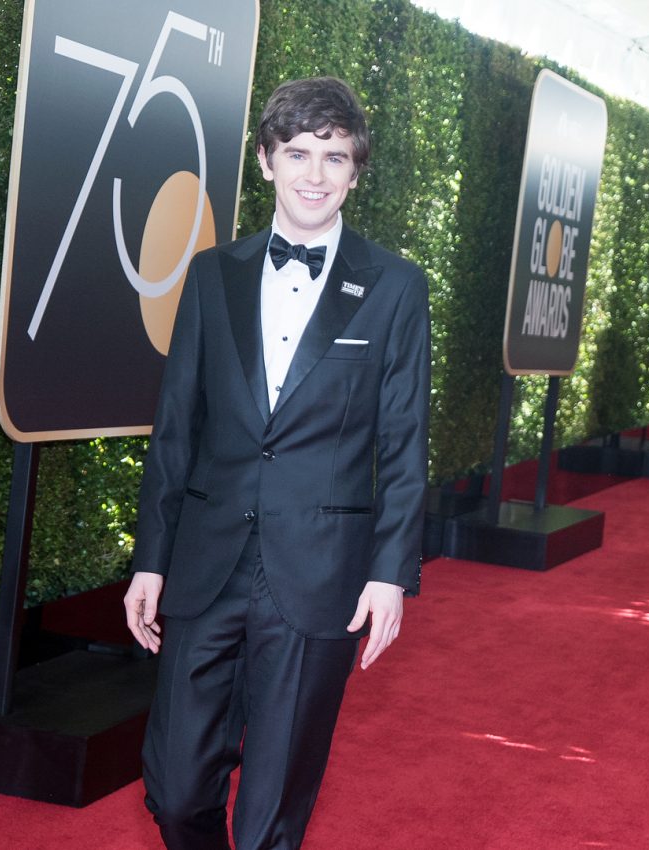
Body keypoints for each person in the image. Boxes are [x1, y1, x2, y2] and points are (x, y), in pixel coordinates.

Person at [123, 76, 430, 850]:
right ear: (265, 160)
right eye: (297, 154)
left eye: (335, 157)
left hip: (319, 574)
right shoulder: (211, 275)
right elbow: (176, 429)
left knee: (268, 822)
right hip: (206, 565)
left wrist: (390, 573)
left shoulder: (395, 287)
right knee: (174, 791)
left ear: (356, 172)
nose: (314, 175)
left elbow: (403, 440)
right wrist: (151, 560)